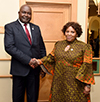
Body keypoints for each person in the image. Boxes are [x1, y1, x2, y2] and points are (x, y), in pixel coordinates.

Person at [31, 22, 95, 102]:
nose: (69, 34)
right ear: (64, 32)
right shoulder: (58, 44)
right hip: (59, 82)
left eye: (72, 32)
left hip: (76, 83)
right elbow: (51, 58)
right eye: (67, 31)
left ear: (77, 33)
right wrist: (39, 61)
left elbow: (87, 66)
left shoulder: (84, 47)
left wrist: (88, 85)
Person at [4, 4, 46, 102]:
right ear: (19, 13)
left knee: (33, 98)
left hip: (35, 71)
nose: (26, 15)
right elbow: (9, 47)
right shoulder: (10, 27)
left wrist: (43, 65)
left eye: (29, 13)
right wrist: (29, 60)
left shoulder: (36, 28)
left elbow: (42, 48)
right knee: (18, 99)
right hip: (19, 70)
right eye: (24, 12)